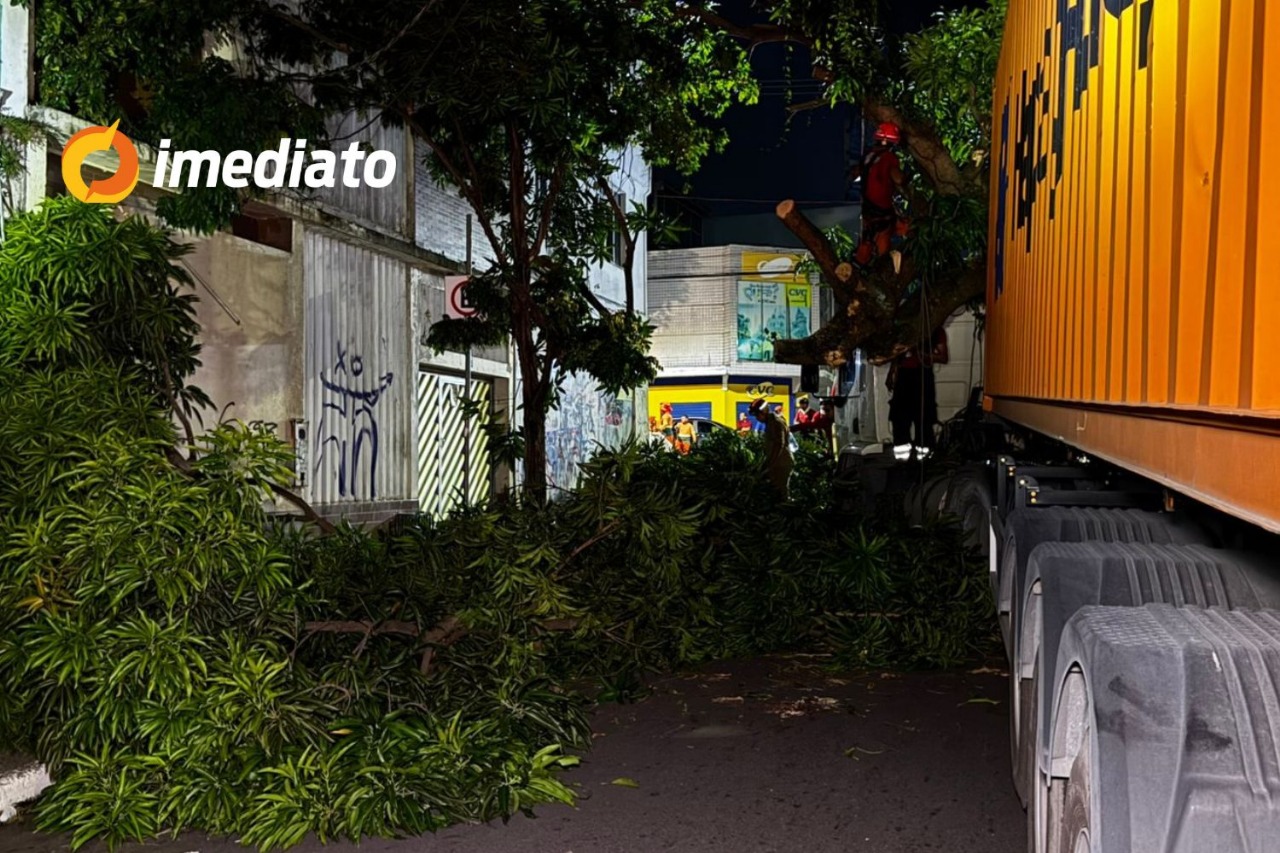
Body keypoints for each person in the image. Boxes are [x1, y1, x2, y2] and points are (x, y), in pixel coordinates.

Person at [849, 123, 907, 268]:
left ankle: (860, 262)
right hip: (881, 208)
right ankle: (882, 263)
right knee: (904, 227)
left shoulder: (868, 156)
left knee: (868, 237)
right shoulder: (889, 158)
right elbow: (898, 178)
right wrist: (906, 178)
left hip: (867, 206)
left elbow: (855, 173)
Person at [888, 326, 949, 451]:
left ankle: (924, 454)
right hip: (903, 378)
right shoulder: (903, 328)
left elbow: (943, 357)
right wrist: (891, 373)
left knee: (923, 419)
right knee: (900, 419)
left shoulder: (934, 330)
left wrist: (922, 355)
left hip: (922, 376)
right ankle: (903, 455)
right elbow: (897, 356)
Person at [750, 397, 793, 499]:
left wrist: (770, 463)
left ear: (763, 412)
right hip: (776, 463)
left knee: (780, 493)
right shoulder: (769, 423)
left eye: (757, 415)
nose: (756, 418)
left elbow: (779, 444)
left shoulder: (776, 422)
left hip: (780, 463)